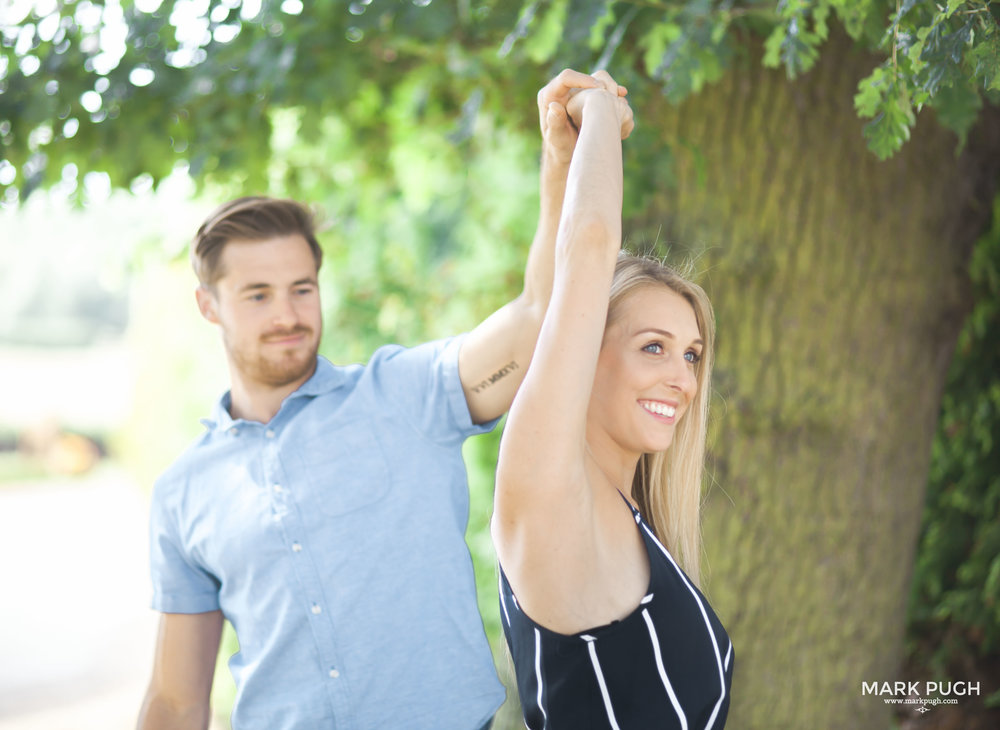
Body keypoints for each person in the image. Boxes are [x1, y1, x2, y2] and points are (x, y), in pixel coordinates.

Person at [136, 70, 631, 730]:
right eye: (258, 294)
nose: (288, 313)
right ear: (208, 305)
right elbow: (174, 700)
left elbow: (539, 319)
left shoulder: (407, 394)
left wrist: (561, 159)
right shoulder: (183, 492)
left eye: (302, 288)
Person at [491, 77, 734, 729]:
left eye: (690, 354)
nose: (683, 378)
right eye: (653, 347)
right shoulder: (548, 497)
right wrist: (599, 102)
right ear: (582, 352)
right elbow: (587, 249)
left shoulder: (633, 522)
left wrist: (560, 158)